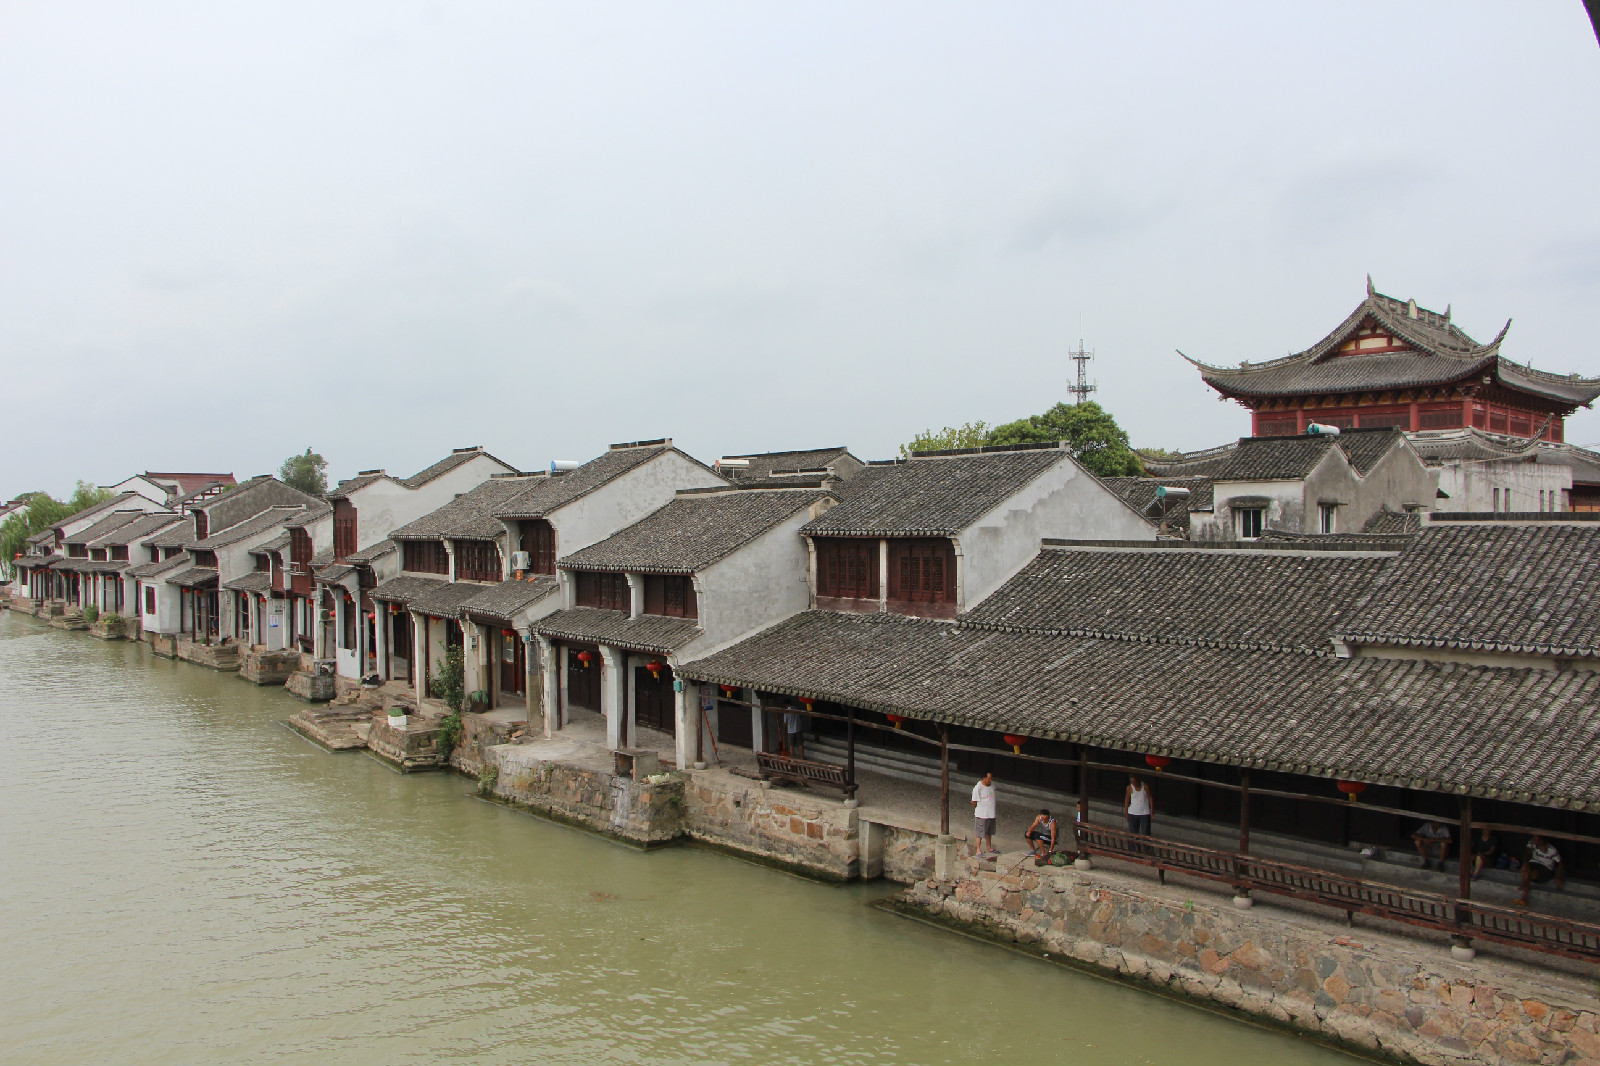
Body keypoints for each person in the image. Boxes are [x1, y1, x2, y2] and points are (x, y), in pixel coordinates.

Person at [1516, 835, 1564, 906]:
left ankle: (1523, 895)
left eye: (1535, 839)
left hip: (1546, 868)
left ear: (1541, 841)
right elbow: (1527, 853)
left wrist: (1558, 876)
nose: (1533, 840)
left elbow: (1561, 863)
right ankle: (1524, 890)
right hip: (1534, 863)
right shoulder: (1532, 843)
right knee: (1525, 868)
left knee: (1529, 874)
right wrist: (1525, 862)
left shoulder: (1552, 850)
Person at [970, 772, 997, 857]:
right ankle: (978, 849)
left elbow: (992, 796)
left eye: (991, 778)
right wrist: (979, 809)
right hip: (982, 814)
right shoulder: (978, 788)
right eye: (989, 778)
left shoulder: (992, 786)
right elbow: (973, 802)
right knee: (980, 832)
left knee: (989, 831)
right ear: (984, 778)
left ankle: (989, 847)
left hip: (991, 813)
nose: (990, 780)